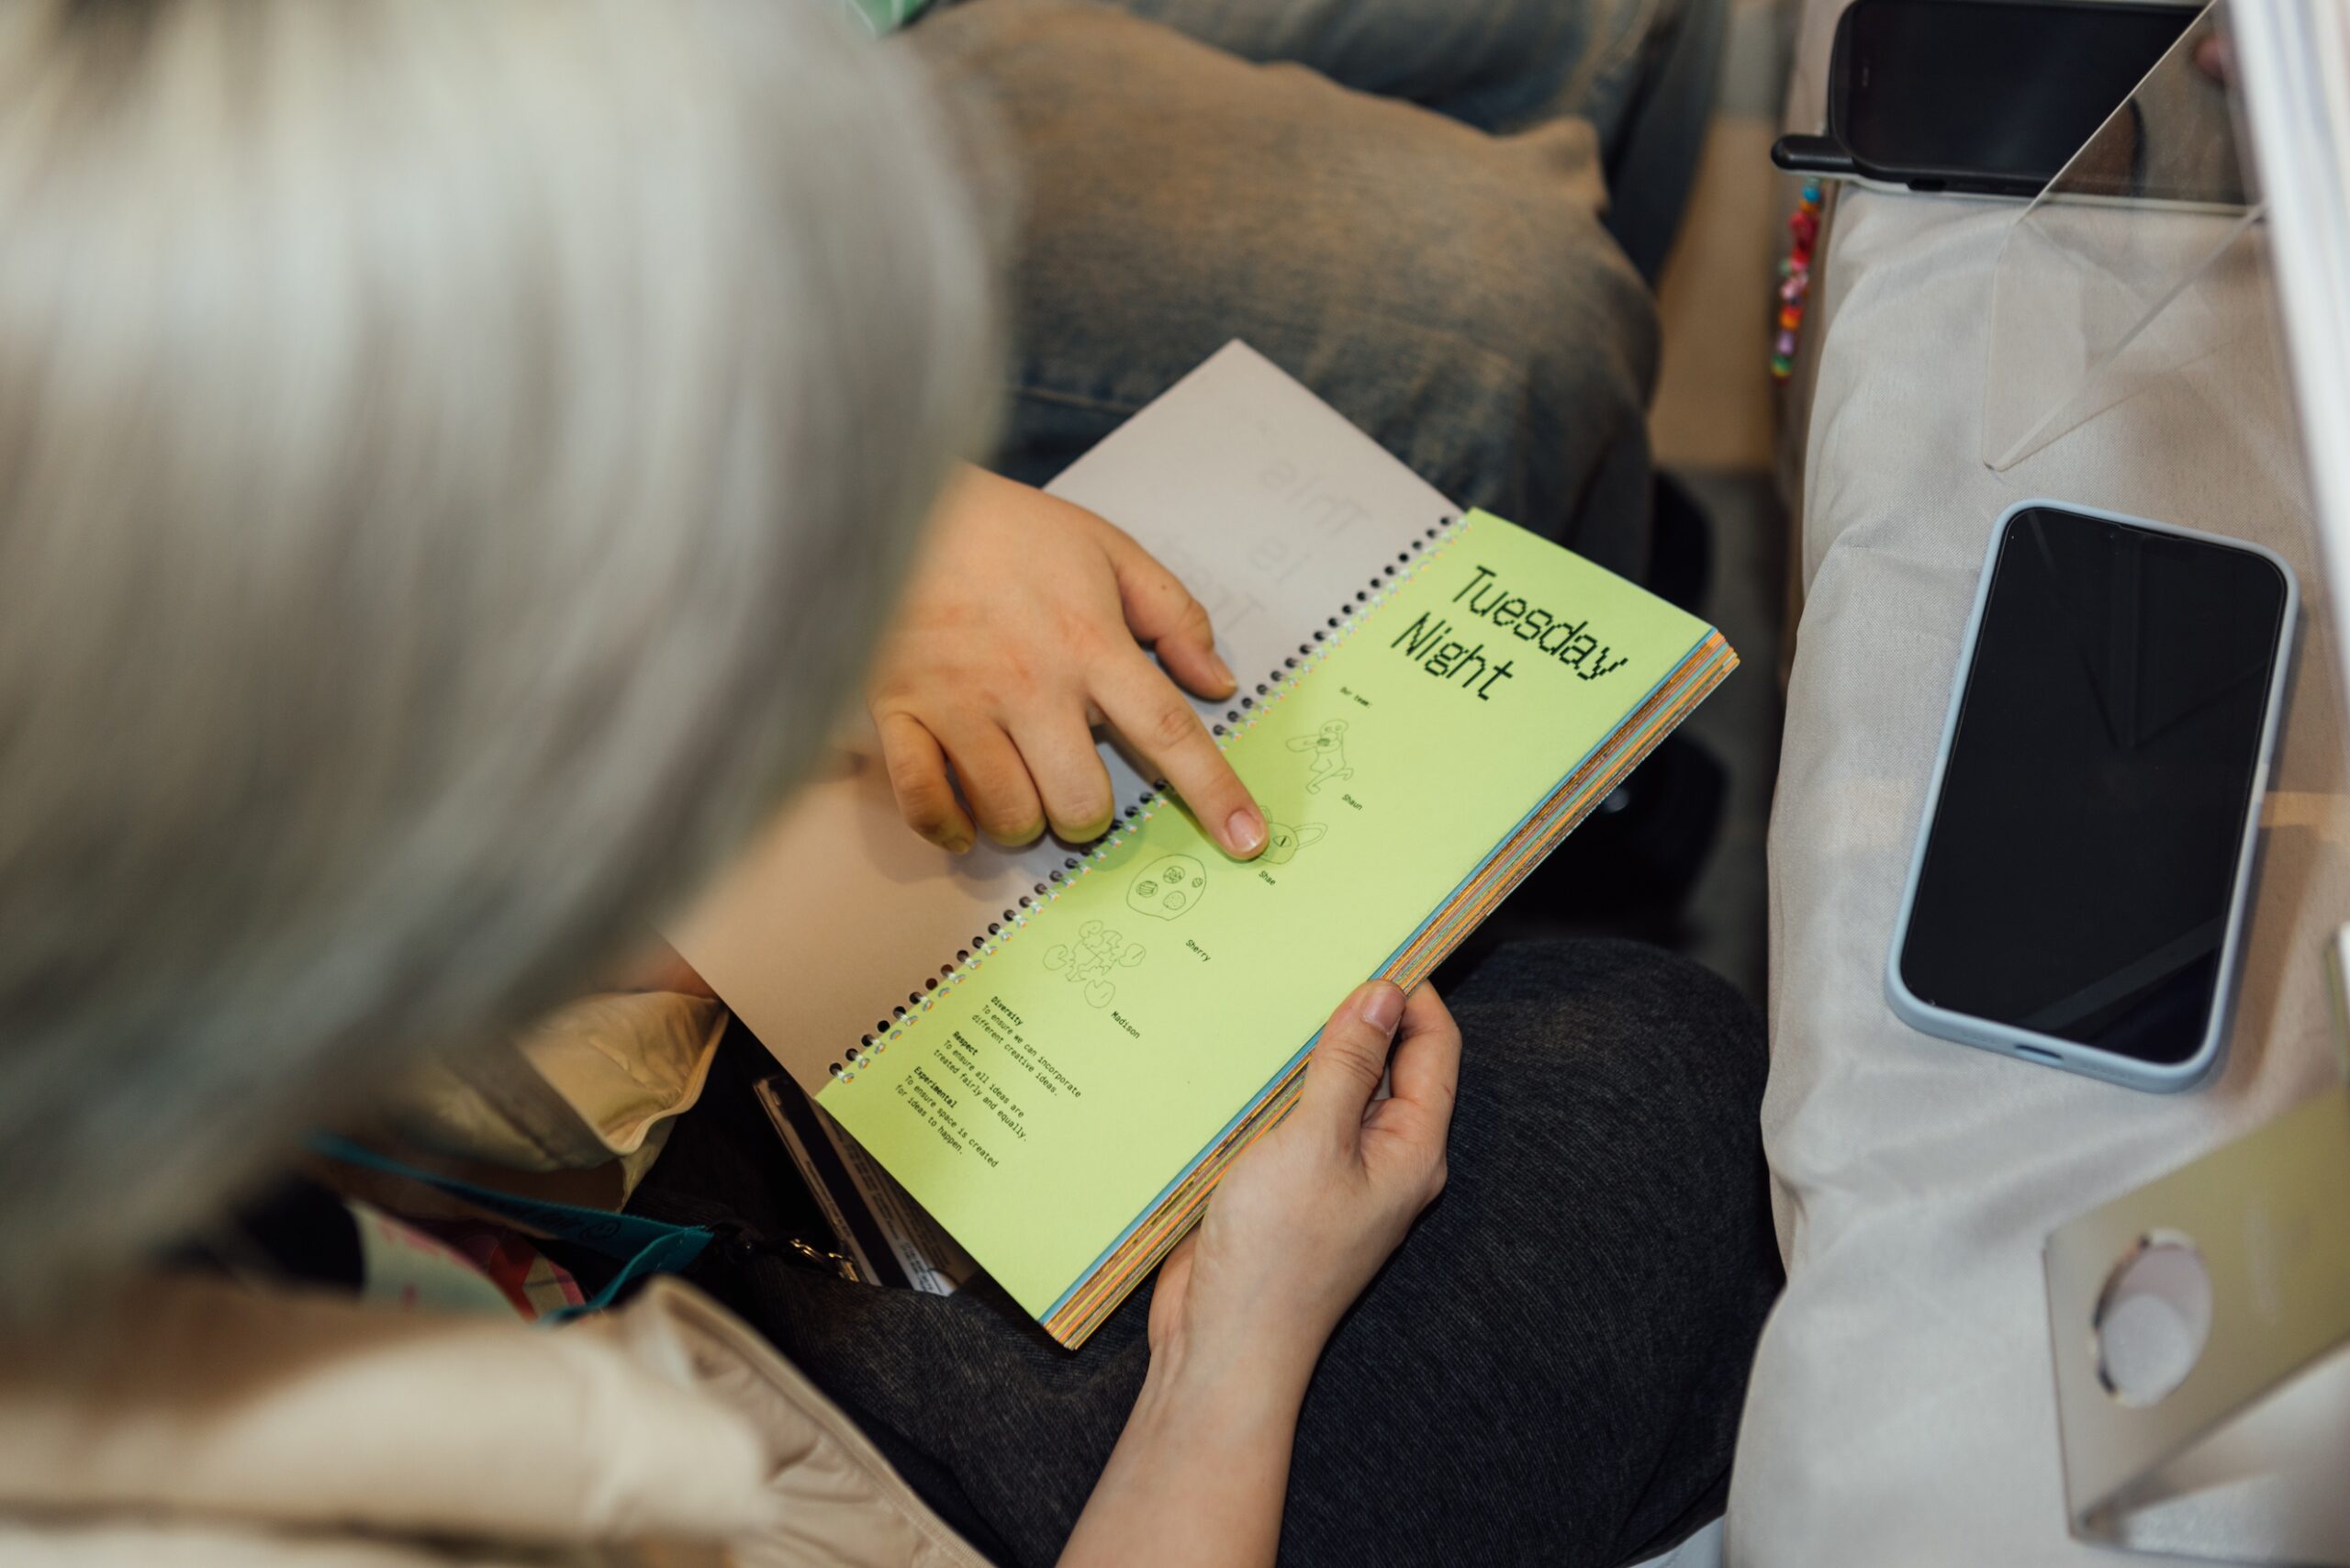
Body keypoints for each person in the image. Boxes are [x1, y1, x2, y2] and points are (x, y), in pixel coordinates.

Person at [0, 5, 1775, 1566]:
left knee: (1574, 1067)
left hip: (564, 1322)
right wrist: (1228, 1361)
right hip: (805, 1454)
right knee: (1651, 1100)